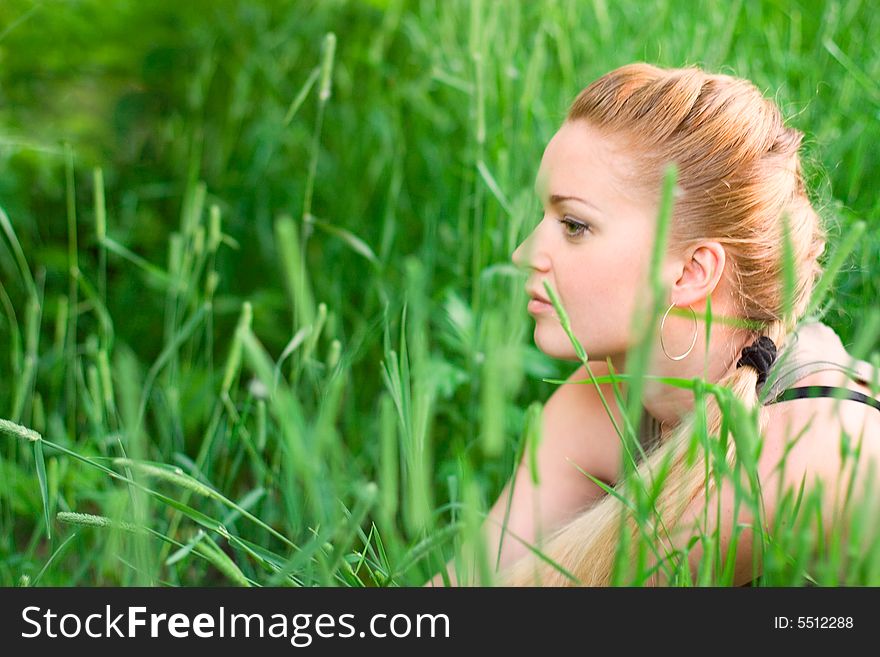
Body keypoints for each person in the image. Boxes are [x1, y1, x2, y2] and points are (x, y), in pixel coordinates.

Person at [428, 63, 880, 587]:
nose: (524, 252)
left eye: (574, 225)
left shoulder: (808, 445)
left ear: (691, 272)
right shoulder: (601, 398)